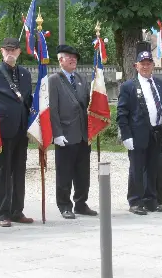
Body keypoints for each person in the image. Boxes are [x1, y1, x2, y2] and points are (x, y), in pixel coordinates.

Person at [0, 37, 34, 227]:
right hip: (2, 129)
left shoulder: (24, 73)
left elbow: (28, 99)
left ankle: (17, 211)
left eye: (14, 50)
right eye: (7, 49)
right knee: (3, 172)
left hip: (21, 129)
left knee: (19, 171)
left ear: (19, 52)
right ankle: (2, 214)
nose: (10, 53)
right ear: (1, 51)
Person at [117, 50, 162, 215]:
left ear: (153, 65)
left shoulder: (159, 84)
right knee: (137, 169)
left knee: (152, 168)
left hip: (156, 132)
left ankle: (150, 200)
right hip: (137, 133)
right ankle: (135, 201)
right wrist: (126, 135)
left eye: (148, 63)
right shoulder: (129, 86)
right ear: (136, 66)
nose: (146, 66)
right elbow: (122, 113)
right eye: (143, 63)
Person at [49, 45, 97, 219]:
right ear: (60, 60)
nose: (73, 59)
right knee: (65, 173)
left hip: (83, 133)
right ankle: (64, 205)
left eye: (75, 57)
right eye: (69, 57)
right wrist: (57, 133)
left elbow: (88, 104)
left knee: (83, 173)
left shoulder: (81, 78)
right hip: (65, 134)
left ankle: (81, 203)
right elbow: (52, 108)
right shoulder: (54, 79)